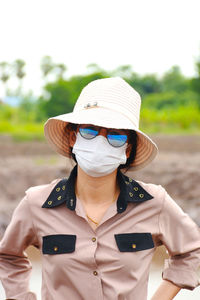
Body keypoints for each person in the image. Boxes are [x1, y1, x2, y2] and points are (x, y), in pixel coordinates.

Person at [0, 77, 200, 300]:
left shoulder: (155, 203)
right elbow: (8, 257)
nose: (100, 142)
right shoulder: (36, 203)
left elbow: (193, 251)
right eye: (90, 131)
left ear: (127, 149)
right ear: (73, 138)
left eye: (115, 135)